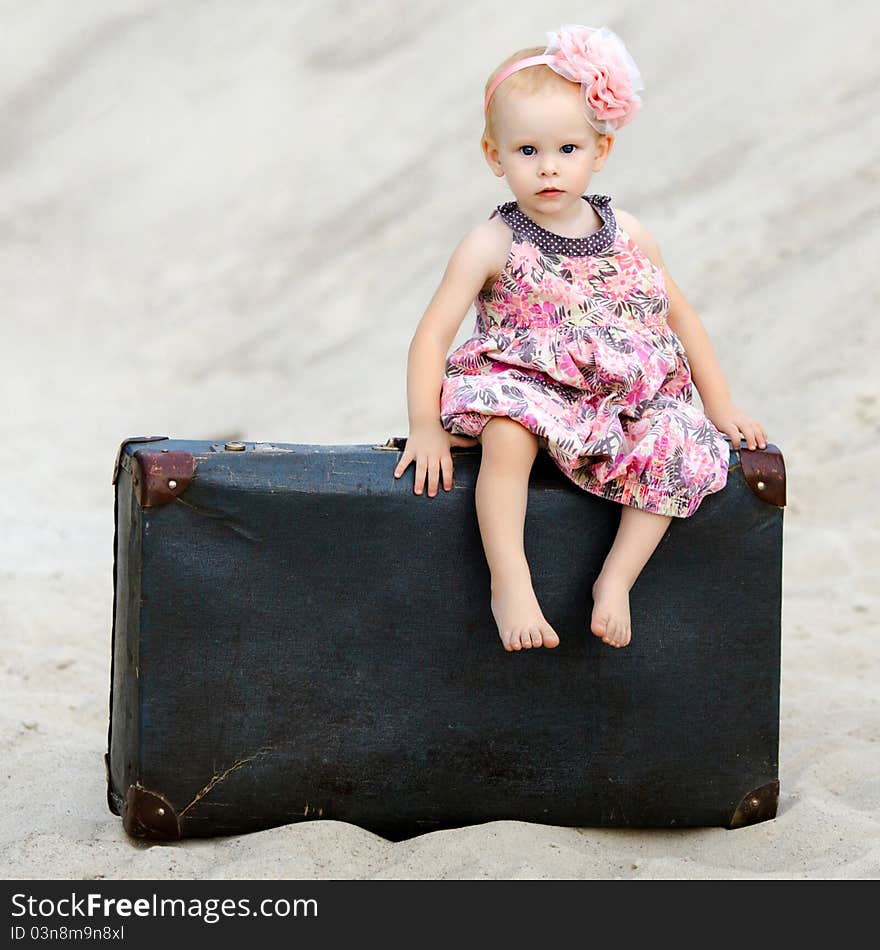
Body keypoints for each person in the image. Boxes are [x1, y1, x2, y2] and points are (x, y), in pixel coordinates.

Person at [393, 24, 768, 653]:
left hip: (618, 398)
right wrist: (424, 424)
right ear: (494, 156)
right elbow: (431, 335)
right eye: (526, 151)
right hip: (529, 386)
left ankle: (615, 581)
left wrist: (720, 406)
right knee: (508, 435)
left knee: (680, 441)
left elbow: (682, 318)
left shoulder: (630, 233)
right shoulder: (493, 243)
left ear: (601, 151)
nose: (548, 168)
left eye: (567, 149)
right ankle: (510, 580)